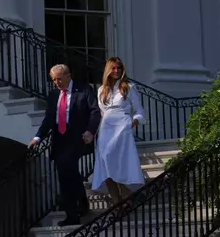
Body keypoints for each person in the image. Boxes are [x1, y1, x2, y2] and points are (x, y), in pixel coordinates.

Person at [28, 64, 101, 226]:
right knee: (66, 174)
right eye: (53, 80)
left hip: (77, 137)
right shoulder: (54, 94)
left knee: (68, 169)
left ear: (68, 76)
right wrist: (37, 138)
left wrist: (90, 131)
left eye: (59, 79)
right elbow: (48, 118)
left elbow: (95, 111)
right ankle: (78, 205)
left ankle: (74, 213)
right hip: (59, 138)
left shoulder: (83, 89)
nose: (56, 83)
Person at [91, 57, 146, 204]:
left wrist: (135, 120)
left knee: (120, 164)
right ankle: (117, 202)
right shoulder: (101, 90)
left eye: (119, 68)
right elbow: (100, 113)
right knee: (106, 164)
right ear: (108, 70)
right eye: (113, 68)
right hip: (105, 128)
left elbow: (139, 110)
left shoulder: (129, 87)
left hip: (123, 127)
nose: (116, 71)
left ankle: (126, 197)